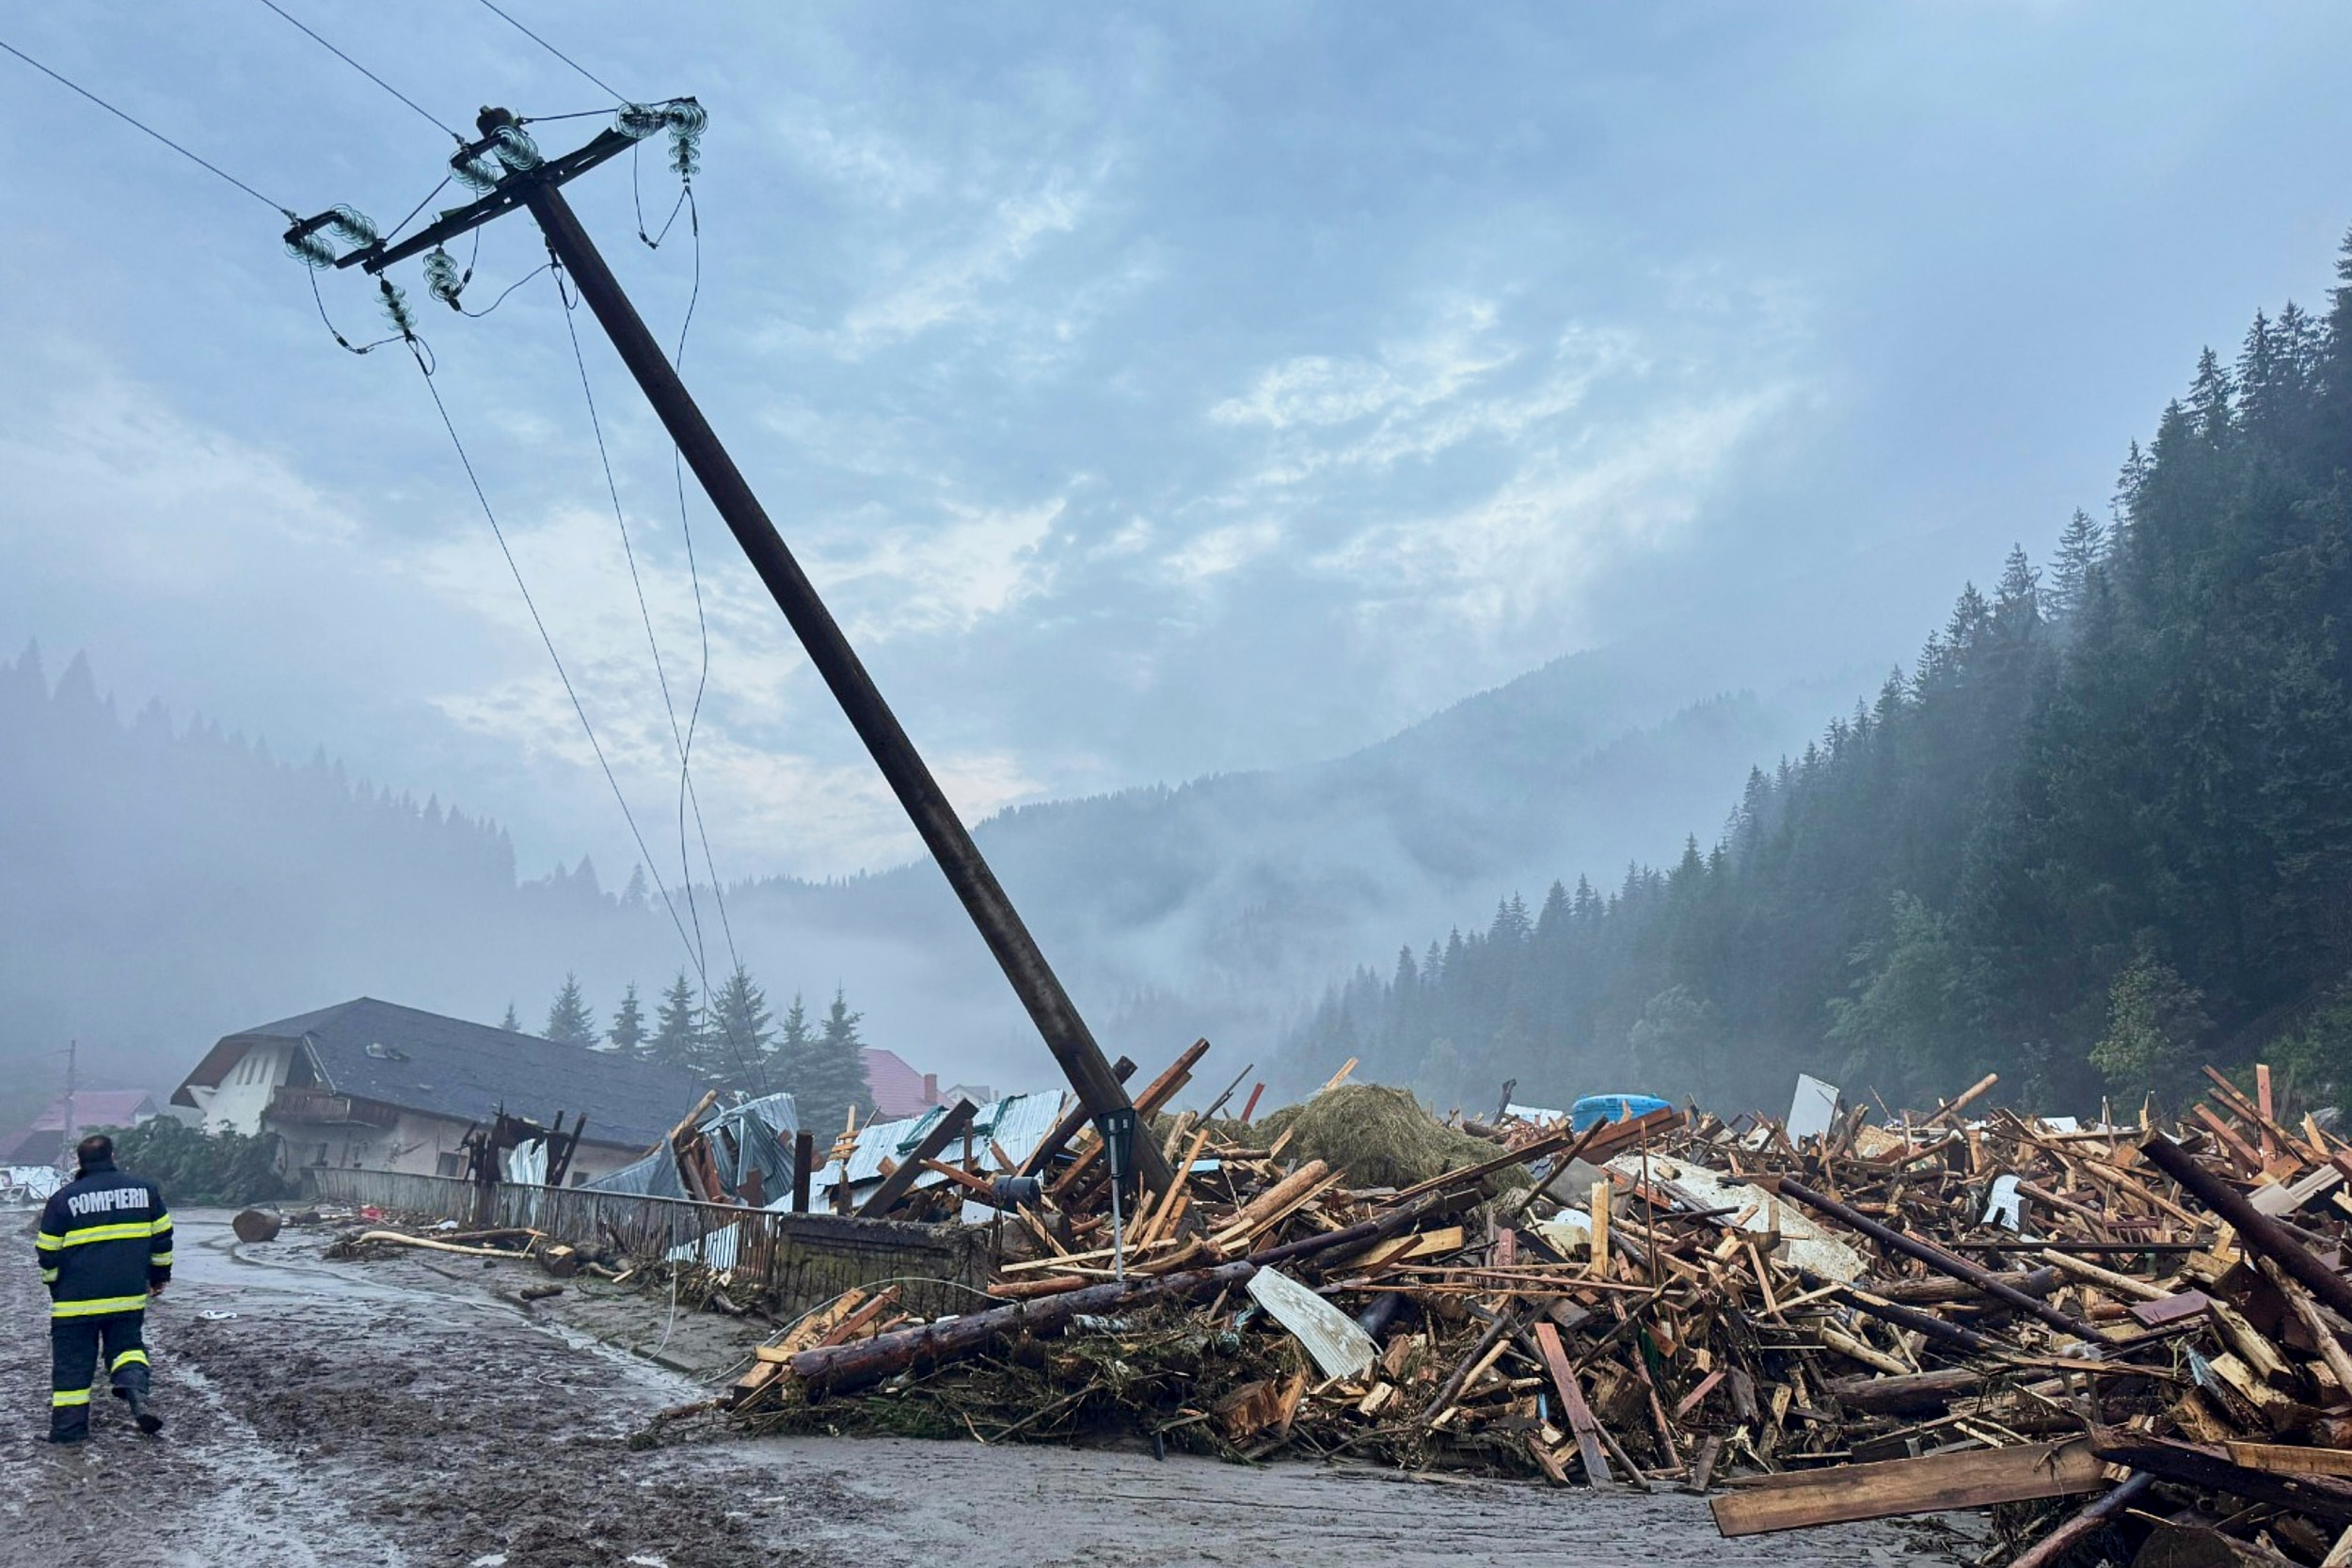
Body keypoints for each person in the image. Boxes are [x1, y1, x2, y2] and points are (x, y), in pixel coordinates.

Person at [35, 1133, 170, 1443]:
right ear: (114, 1156)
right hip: (127, 1297)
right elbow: (162, 1237)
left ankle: (69, 1433)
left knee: (73, 1366)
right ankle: (135, 1392)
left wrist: (55, 1286)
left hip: (75, 1302)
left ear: (79, 1161)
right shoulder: (145, 1191)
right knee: (128, 1348)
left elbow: (47, 1252)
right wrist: (158, 1276)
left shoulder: (62, 1199)